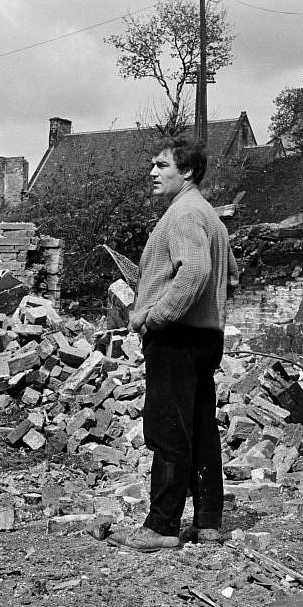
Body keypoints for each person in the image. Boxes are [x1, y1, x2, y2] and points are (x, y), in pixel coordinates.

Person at [107, 136, 239, 552]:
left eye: (162, 165)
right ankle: (208, 522)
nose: (152, 172)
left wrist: (155, 317)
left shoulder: (182, 214)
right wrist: (209, 312)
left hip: (177, 336)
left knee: (166, 429)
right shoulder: (210, 217)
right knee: (200, 428)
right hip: (204, 336)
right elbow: (232, 274)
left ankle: (161, 526)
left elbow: (195, 271)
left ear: (187, 172)